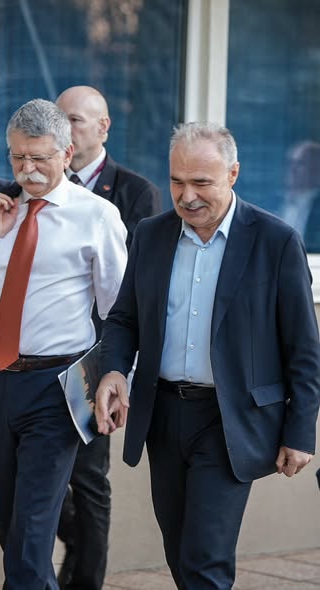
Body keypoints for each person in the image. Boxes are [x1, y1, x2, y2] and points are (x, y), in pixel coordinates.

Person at [94, 122, 320, 590]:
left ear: (232, 174)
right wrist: (113, 369)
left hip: (229, 420)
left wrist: (300, 431)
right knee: (179, 551)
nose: (187, 196)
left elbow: (303, 348)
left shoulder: (276, 241)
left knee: (204, 558)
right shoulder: (150, 235)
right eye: (177, 181)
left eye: (201, 182)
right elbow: (124, 320)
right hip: (162, 415)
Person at [0, 98, 127, 589]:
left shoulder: (97, 217)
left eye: (39, 157)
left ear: (67, 153)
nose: (28, 169)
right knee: (13, 531)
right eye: (18, 157)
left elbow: (121, 311)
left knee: (31, 535)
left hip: (57, 389)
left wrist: (118, 379)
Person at [54, 85, 161, 589]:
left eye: (75, 120)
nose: (65, 129)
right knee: (37, 476)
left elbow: (129, 289)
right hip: (38, 353)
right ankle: (76, 545)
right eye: (58, 119)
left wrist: (121, 368)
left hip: (93, 358)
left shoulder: (135, 192)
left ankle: (86, 580)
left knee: (88, 479)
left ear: (103, 127)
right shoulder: (40, 184)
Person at [278, 140, 320, 252]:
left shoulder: (317, 207)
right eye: (291, 162)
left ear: (316, 169)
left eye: (301, 163)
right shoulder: (276, 202)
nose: (293, 168)